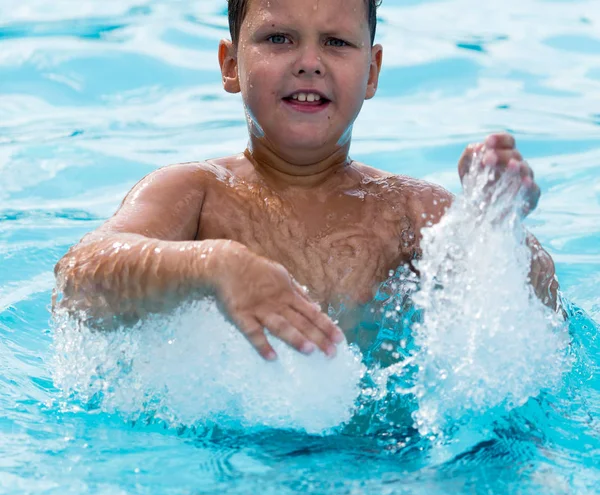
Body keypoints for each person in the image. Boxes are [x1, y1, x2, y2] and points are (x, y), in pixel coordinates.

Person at [54, 0, 560, 362]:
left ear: (371, 72)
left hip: (385, 452)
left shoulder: (405, 209)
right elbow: (80, 275)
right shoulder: (196, 193)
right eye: (279, 38)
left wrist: (498, 223)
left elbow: (538, 310)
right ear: (231, 64)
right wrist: (217, 264)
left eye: (336, 42)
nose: (309, 62)